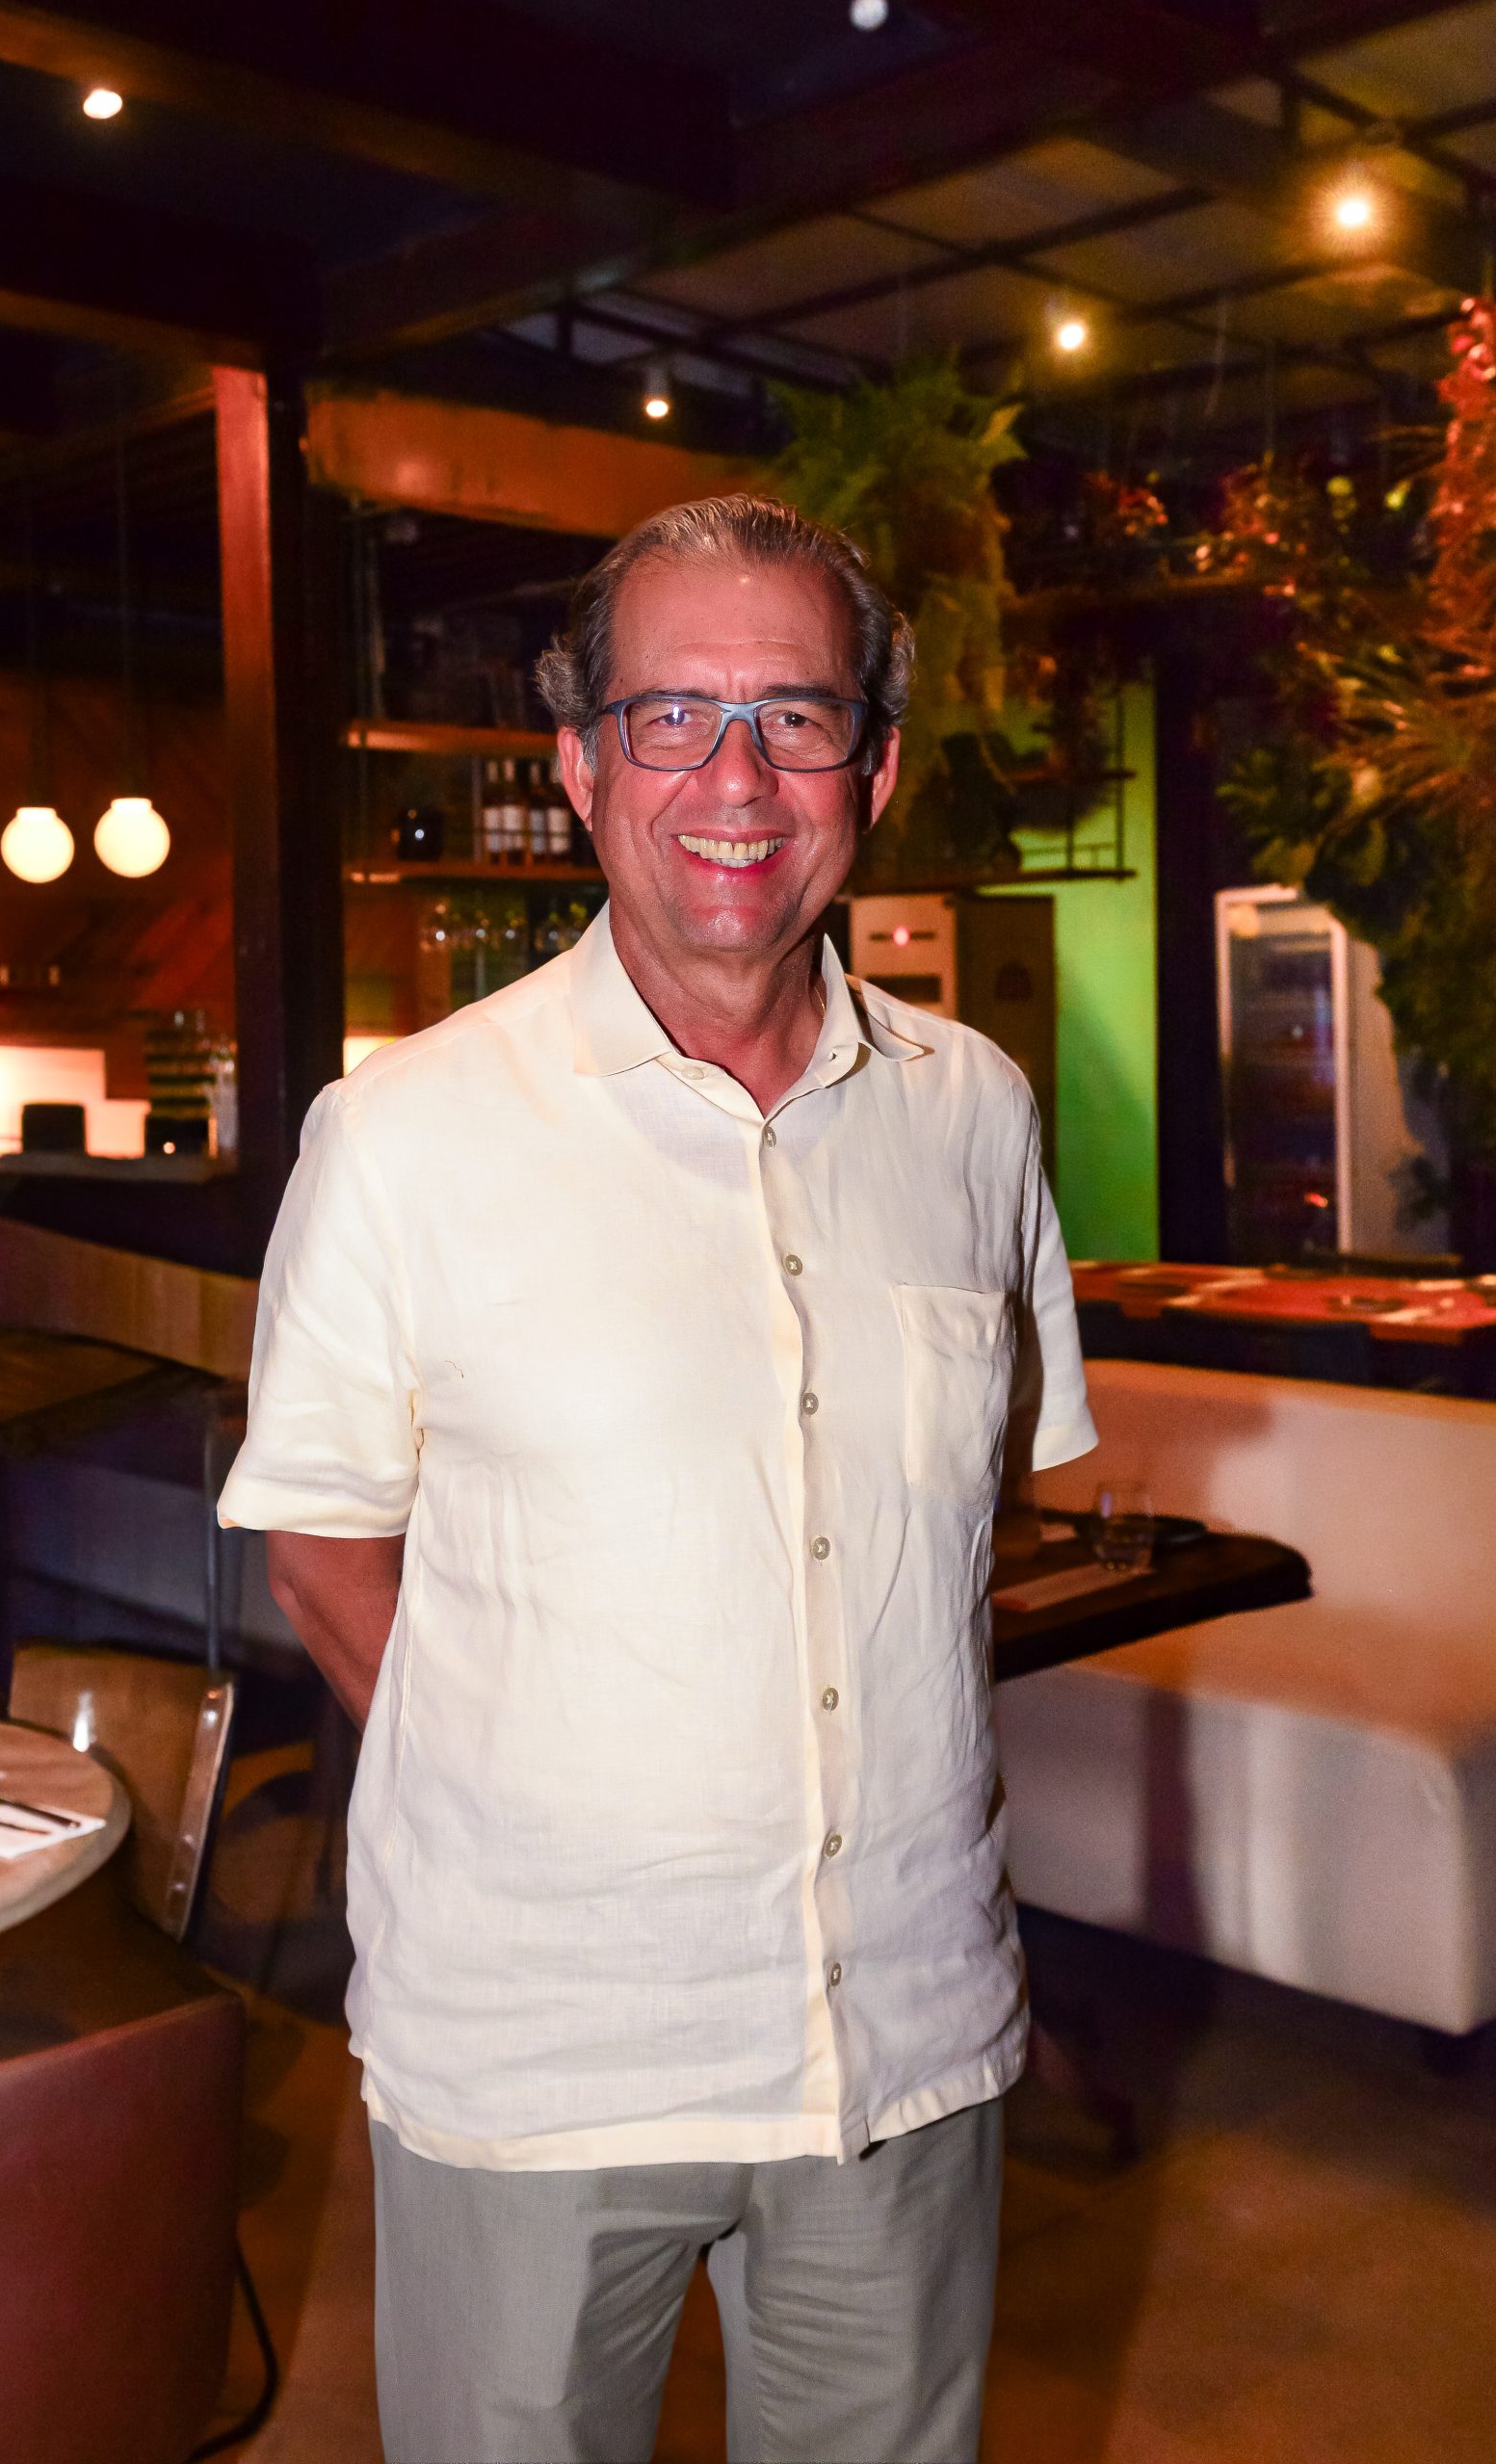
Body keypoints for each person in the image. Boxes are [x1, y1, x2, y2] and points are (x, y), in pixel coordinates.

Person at [219, 493, 1096, 2464]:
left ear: (873, 767)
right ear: (579, 763)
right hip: (542, 2058)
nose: (734, 777)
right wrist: (560, 1816)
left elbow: (964, 1520)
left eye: (795, 715)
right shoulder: (405, 1133)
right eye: (671, 715)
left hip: (905, 2045)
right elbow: (324, 1557)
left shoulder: (974, 1111)